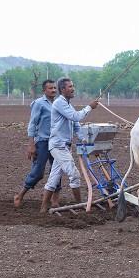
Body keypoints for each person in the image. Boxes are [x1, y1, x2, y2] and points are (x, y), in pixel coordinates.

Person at [39, 77, 100, 213]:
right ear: (63, 90)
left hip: (64, 146)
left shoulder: (67, 104)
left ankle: (43, 208)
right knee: (75, 174)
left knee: (54, 177)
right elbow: (76, 117)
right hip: (58, 145)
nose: (73, 89)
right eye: (70, 87)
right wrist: (89, 107)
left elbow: (76, 126)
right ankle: (80, 205)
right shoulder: (59, 103)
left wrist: (84, 140)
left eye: (73, 86)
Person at [14, 79, 62, 208]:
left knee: (56, 170)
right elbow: (32, 124)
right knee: (38, 171)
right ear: (44, 90)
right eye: (50, 88)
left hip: (56, 142)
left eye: (54, 88)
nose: (53, 90)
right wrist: (31, 144)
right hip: (42, 142)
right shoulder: (39, 104)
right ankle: (20, 195)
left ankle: (55, 200)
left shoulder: (57, 104)